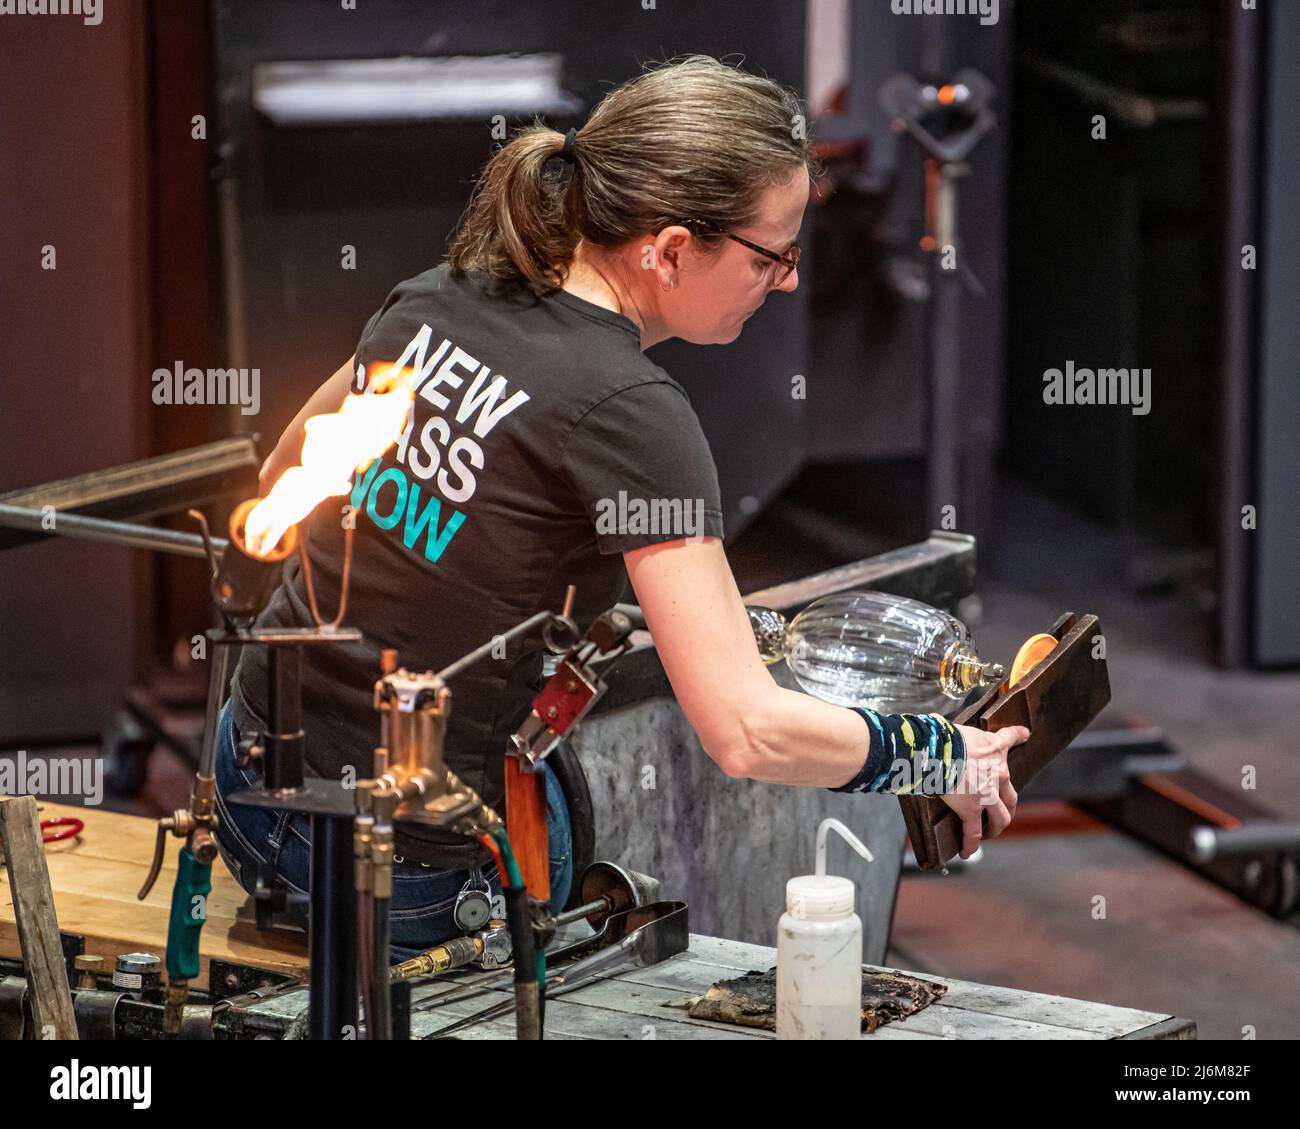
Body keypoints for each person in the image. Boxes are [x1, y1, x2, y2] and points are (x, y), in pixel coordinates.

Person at [212, 54, 1027, 961]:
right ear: (674, 248)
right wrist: (939, 753)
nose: (790, 281)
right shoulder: (634, 413)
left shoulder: (439, 295)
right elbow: (746, 730)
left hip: (249, 779)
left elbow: (289, 470)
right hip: (400, 876)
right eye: (775, 253)